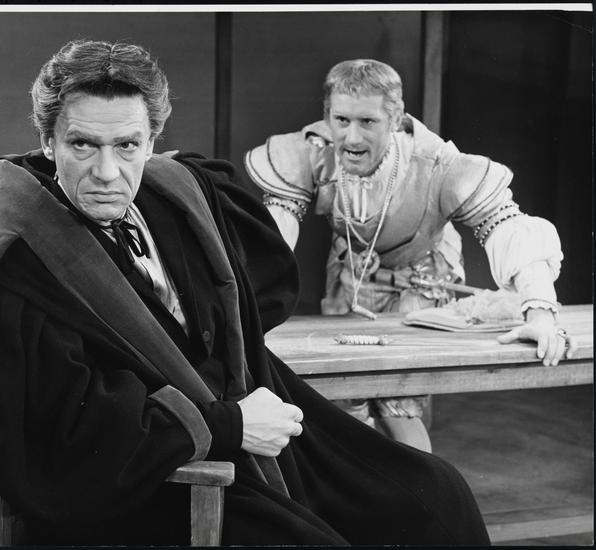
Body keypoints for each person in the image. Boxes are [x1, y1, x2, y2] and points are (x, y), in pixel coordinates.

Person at [0, 39, 491, 545]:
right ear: (48, 142)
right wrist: (229, 424)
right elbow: (64, 439)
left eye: (127, 145)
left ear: (151, 141)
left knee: (435, 497)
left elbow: (257, 298)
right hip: (155, 477)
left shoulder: (176, 193)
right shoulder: (14, 265)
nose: (107, 172)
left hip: (251, 420)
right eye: (82, 144)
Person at [244, 59, 577, 450]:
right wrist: (244, 309)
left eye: (368, 121)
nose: (351, 137)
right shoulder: (314, 150)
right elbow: (274, 237)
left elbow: (506, 224)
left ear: (396, 118)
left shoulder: (435, 164)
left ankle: (420, 485)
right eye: (341, 120)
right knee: (342, 401)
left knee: (396, 405)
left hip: (418, 284)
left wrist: (540, 313)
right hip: (351, 279)